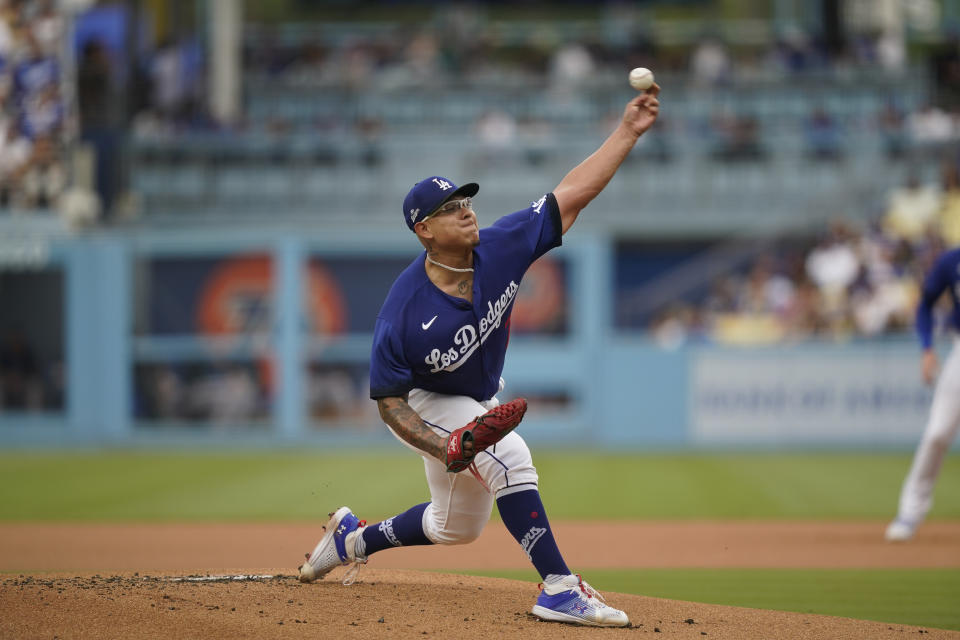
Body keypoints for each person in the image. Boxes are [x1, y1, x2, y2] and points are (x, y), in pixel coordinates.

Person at [297, 85, 661, 627]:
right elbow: (389, 402)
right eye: (449, 209)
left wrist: (627, 131)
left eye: (465, 201)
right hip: (420, 404)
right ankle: (559, 588)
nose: (466, 212)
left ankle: (354, 539)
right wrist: (443, 443)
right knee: (511, 458)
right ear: (423, 229)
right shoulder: (403, 310)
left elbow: (572, 193)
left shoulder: (502, 246)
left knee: (456, 527)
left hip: (471, 396)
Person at [885, 245, 960, 542]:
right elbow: (926, 304)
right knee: (937, 433)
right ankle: (909, 513)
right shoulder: (952, 260)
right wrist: (927, 348)